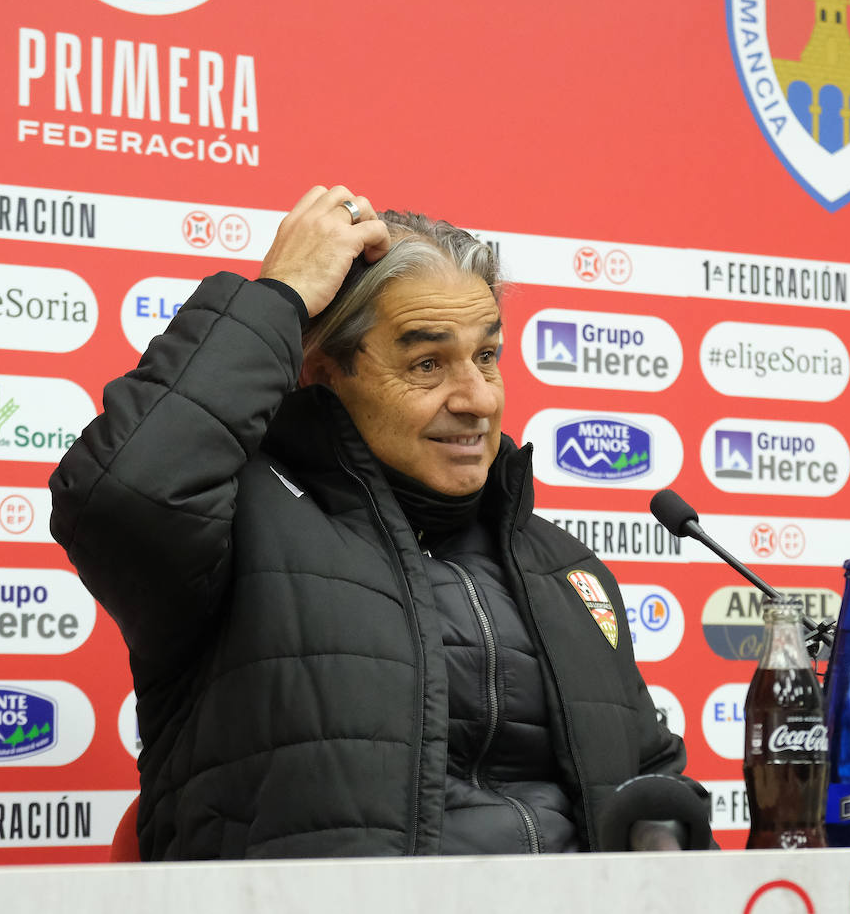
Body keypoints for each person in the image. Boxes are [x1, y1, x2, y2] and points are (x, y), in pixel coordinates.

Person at [49, 184, 711, 859]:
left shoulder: (567, 570)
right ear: (323, 369)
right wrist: (277, 296)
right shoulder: (237, 526)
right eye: (427, 363)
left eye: (487, 355)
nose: (478, 398)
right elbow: (121, 495)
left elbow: (655, 792)